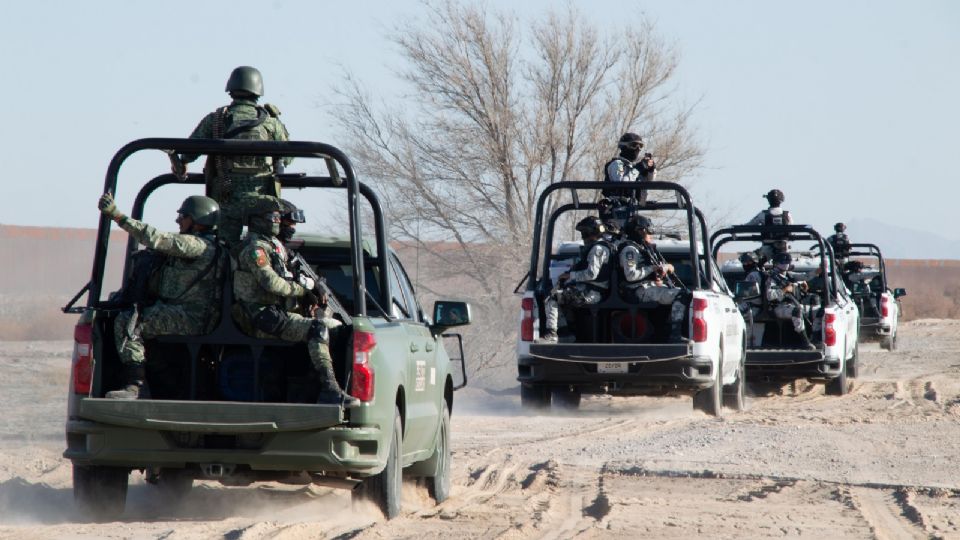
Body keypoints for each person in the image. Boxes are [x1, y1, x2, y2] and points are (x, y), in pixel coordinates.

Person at [98, 193, 224, 399]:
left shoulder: (196, 246)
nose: (178, 221)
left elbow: (157, 238)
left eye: (183, 216)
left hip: (191, 318)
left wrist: (118, 216)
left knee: (128, 323)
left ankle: (136, 386)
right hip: (193, 316)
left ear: (198, 221)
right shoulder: (212, 247)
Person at [233, 197, 357, 405]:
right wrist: (304, 290)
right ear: (258, 220)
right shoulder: (255, 249)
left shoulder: (272, 247)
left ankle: (313, 391)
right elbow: (272, 283)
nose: (278, 222)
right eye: (274, 218)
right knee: (317, 330)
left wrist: (311, 292)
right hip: (256, 315)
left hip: (271, 312)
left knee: (336, 331)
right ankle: (329, 390)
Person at [178, 66, 293, 245]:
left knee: (223, 250)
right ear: (258, 91)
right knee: (263, 247)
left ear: (231, 89)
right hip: (261, 202)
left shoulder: (215, 120)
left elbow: (187, 153)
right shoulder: (271, 123)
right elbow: (288, 157)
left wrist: (182, 163)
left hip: (224, 200)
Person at [541, 216, 615, 342]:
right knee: (564, 298)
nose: (583, 237)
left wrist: (571, 276)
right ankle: (567, 333)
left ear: (590, 232)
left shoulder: (597, 249)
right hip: (590, 291)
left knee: (552, 298)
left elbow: (591, 274)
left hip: (593, 293)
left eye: (584, 233)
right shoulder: (600, 247)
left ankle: (553, 333)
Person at [618, 215, 690, 342]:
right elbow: (630, 276)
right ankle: (675, 334)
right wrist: (653, 269)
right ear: (639, 231)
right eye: (646, 231)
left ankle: (665, 334)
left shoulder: (643, 248)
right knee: (681, 295)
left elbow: (660, 267)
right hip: (636, 290)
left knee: (685, 293)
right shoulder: (630, 249)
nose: (650, 235)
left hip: (647, 287)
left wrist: (663, 269)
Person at [764, 252, 815, 349]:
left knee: (817, 310)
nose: (785, 264)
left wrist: (818, 271)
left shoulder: (788, 275)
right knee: (797, 311)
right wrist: (784, 290)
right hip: (778, 307)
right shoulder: (772, 278)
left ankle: (816, 338)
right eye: (782, 262)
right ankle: (805, 342)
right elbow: (770, 296)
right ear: (776, 263)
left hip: (793, 304)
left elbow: (805, 276)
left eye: (787, 261)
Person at [602, 132, 656, 203]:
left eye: (640, 146)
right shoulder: (616, 164)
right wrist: (638, 169)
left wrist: (650, 170)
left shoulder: (633, 167)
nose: (637, 149)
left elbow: (648, 182)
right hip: (617, 208)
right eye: (634, 145)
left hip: (633, 207)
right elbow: (622, 184)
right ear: (623, 147)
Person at [747, 189, 793, 261]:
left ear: (768, 200)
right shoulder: (787, 215)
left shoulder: (763, 214)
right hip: (784, 248)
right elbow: (791, 228)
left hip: (766, 248)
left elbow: (749, 226)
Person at [737, 251, 766, 347]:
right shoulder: (758, 273)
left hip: (752, 307)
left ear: (753, 262)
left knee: (733, 314)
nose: (744, 264)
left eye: (747, 262)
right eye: (743, 262)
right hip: (752, 305)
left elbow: (747, 293)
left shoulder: (752, 275)